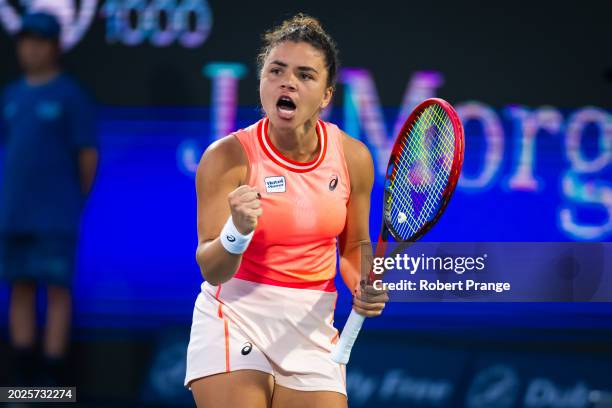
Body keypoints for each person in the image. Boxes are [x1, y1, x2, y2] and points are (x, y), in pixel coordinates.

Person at [184, 14, 389, 407]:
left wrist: (364, 281)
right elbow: (212, 268)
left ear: (326, 95)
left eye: (305, 75)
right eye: (276, 70)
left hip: (311, 325)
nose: (287, 82)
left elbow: (353, 247)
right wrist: (237, 232)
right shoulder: (227, 157)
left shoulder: (352, 157)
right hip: (236, 314)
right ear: (261, 80)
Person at [0, 12, 98, 385]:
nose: (31, 49)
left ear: (56, 46)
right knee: (19, 289)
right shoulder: (11, 95)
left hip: (56, 217)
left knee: (58, 293)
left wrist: (72, 203)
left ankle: (53, 380)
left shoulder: (70, 96)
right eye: (26, 41)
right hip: (14, 216)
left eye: (40, 41)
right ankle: (23, 381)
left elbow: (87, 157)